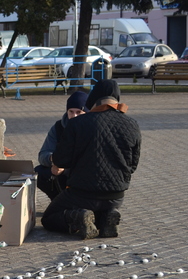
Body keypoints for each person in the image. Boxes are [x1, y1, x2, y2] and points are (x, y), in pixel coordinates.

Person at [41, 80, 140, 239]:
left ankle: (79, 217)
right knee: (102, 206)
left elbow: (61, 159)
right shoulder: (132, 124)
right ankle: (105, 218)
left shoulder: (77, 123)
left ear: (94, 99)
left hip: (82, 193)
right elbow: (133, 165)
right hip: (116, 195)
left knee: (48, 219)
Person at [34, 91, 88, 200]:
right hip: (60, 169)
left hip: (84, 174)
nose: (74, 116)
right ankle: (57, 201)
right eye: (71, 112)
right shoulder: (58, 127)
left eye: (79, 112)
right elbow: (43, 154)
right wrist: (53, 160)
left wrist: (66, 169)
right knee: (39, 172)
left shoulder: (93, 128)